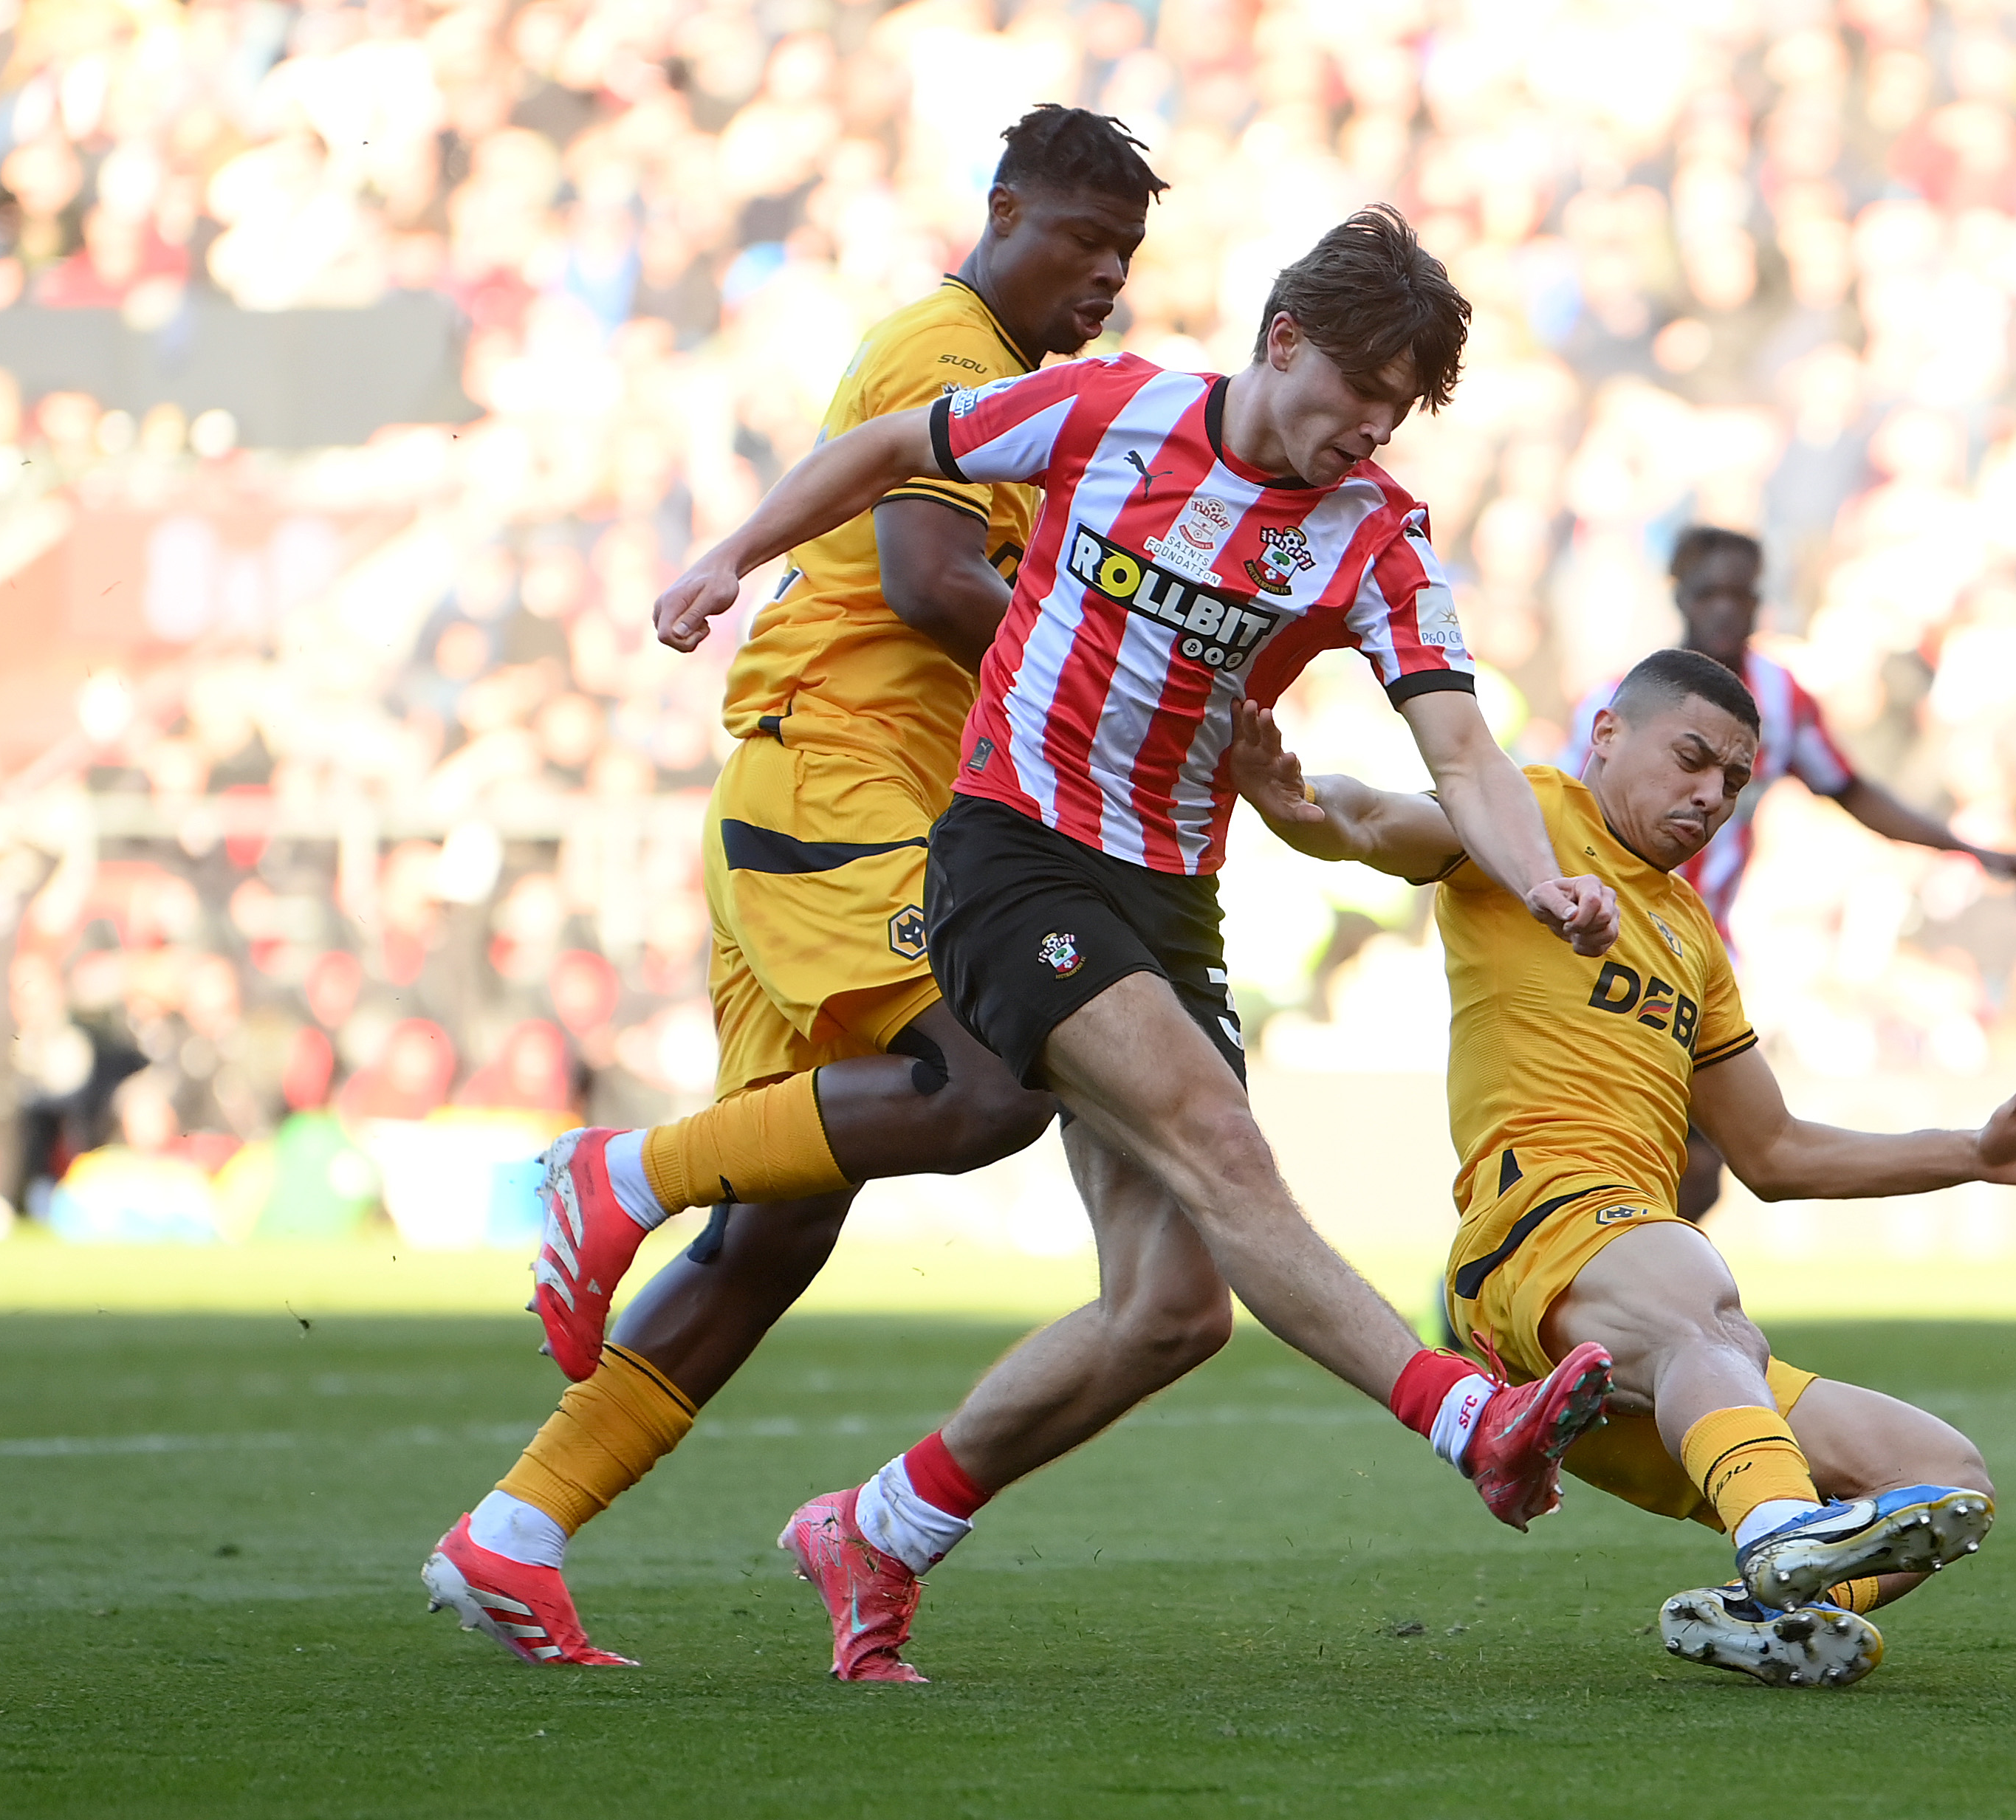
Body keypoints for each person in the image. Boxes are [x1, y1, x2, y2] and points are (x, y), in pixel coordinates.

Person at [627, 205, 1622, 1683]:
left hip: (1163, 897)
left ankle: (876, 1527)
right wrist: (727, 556)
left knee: (1166, 1310)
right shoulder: (1109, 410)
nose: (1370, 428)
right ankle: (1466, 1415)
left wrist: (1541, 875)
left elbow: (1464, 749)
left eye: (1397, 407)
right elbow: (892, 448)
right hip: (1012, 856)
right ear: (1280, 339)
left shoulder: (1376, 535)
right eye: (1357, 390)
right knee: (1223, 1145)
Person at [422, 106, 1161, 1669]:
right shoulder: (946, 353)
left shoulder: (1006, 378)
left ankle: (515, 1528)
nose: (1103, 274)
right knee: (983, 1083)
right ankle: (614, 1172)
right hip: (842, 775)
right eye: (1080, 238)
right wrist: (1104, 693)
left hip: (825, 791)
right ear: (1001, 206)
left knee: (778, 1230)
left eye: (1124, 254)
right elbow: (924, 580)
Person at [1229, 648, 2016, 1687]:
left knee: (1942, 1480)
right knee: (1693, 1288)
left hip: (1637, 1324)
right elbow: (1364, 821)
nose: (1710, 794)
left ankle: (1760, 1611)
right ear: (1608, 734)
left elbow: (1776, 1152)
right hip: (1534, 1242)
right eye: (1691, 758)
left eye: (1733, 781)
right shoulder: (1524, 821)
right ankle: (1779, 1531)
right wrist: (1293, 801)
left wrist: (1972, 1157)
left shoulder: (1690, 937)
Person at [1565, 525, 2016, 1222]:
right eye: (1712, 593)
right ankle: (1516, 1294)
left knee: (1698, 1173)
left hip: (1697, 959)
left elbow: (1848, 789)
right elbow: (1558, 809)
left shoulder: (1779, 699)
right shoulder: (1623, 703)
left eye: (1744, 594)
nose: (1728, 609)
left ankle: (1617, 1300)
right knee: (1601, 1152)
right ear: (1680, 597)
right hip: (1603, 951)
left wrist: (1965, 846)